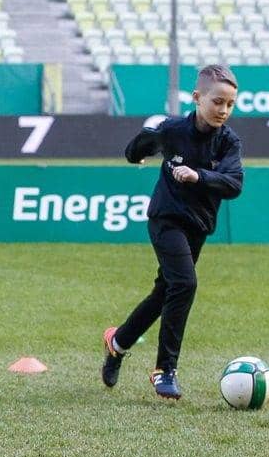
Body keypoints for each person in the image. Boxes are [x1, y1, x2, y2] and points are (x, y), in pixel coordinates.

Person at [102, 65, 243, 399]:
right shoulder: (173, 130)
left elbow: (234, 183)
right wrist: (145, 140)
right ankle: (165, 370)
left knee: (164, 292)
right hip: (166, 219)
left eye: (230, 104)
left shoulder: (228, 142)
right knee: (184, 284)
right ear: (197, 98)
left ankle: (117, 344)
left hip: (198, 226)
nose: (223, 110)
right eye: (217, 102)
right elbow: (133, 153)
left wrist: (199, 176)